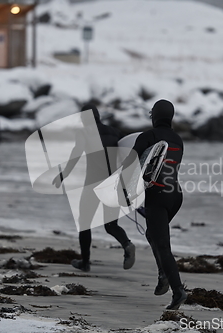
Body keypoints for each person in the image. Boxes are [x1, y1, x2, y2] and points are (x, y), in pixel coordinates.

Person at [53, 104, 135, 272]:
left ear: (84, 118)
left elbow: (76, 153)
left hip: (93, 183)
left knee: (84, 224)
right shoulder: (115, 132)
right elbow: (129, 153)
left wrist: (64, 174)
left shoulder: (84, 132)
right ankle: (127, 244)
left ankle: (85, 262)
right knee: (111, 225)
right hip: (112, 184)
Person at [124, 99, 186, 310]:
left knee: (163, 245)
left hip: (157, 197)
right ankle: (163, 274)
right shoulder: (178, 139)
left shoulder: (147, 136)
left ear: (154, 116)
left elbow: (130, 162)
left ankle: (178, 291)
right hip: (175, 195)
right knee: (153, 234)